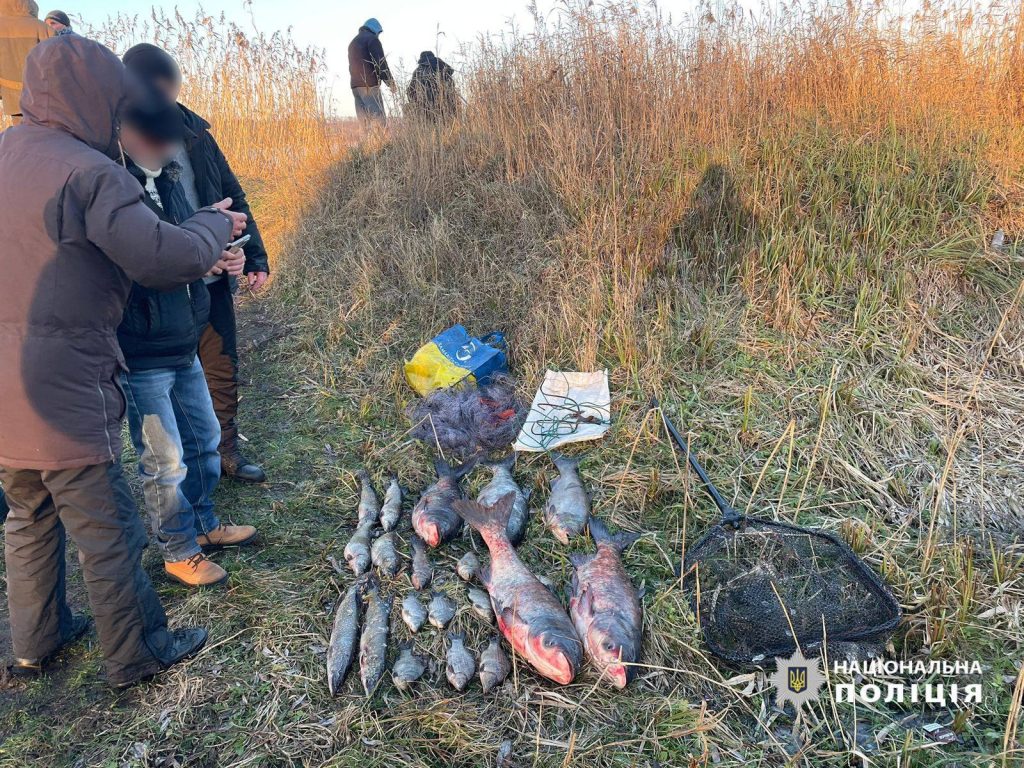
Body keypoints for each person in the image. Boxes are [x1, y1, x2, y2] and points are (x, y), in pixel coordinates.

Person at [0, 34, 246, 687]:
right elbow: (164, 257)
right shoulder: (89, 172)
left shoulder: (5, 152)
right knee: (108, 529)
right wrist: (216, 227)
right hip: (61, 393)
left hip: (4, 391)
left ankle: (37, 639)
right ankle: (138, 650)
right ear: (94, 99)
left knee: (28, 513)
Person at [116, 86, 259, 588]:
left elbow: (186, 247)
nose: (165, 147)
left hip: (185, 331)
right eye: (156, 138)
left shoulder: (171, 179)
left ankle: (203, 525)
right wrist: (197, 252)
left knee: (203, 442)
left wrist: (225, 255)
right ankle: (177, 549)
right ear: (125, 131)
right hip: (141, 346)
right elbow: (145, 261)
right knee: (164, 459)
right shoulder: (112, 186)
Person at [123, 43, 269, 483]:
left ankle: (224, 452)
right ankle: (181, 471)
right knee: (171, 378)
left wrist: (251, 252)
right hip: (162, 288)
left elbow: (231, 192)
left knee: (221, 361)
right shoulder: (114, 143)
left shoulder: (198, 132)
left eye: (169, 90)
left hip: (216, 269)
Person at [0, 0, 50, 124]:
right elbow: (57, 64)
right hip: (42, 96)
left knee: (21, 135)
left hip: (11, 97)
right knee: (46, 136)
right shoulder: (43, 28)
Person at [347, 17, 394, 122]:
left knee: (364, 123)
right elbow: (381, 63)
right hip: (369, 85)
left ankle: (366, 139)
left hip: (355, 87)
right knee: (378, 120)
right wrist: (391, 83)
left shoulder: (353, 42)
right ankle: (381, 139)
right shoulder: (372, 39)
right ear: (375, 30)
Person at [406, 50, 458, 122]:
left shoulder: (419, 71)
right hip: (448, 107)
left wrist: (415, 103)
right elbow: (452, 85)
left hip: (428, 108)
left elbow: (411, 91)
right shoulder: (444, 68)